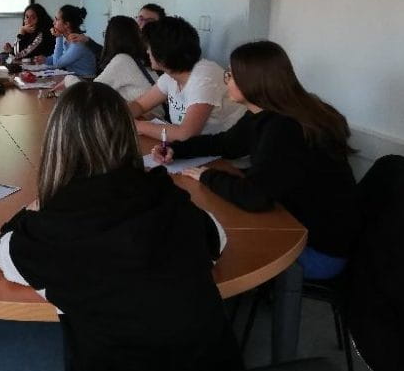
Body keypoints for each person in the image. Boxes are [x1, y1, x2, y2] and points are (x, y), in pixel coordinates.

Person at [0, 82, 242, 371]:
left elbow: (5, 252)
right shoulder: (169, 199)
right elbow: (217, 238)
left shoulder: (49, 231)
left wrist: (34, 208)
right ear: (128, 137)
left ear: (56, 145)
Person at [151, 41, 362, 280]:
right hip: (296, 222)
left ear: (252, 82)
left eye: (230, 75)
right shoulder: (267, 112)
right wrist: (175, 149)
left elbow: (254, 196)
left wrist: (207, 176)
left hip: (320, 251)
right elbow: (225, 144)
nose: (226, 81)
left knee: (217, 246)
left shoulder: (284, 128)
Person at [128, 16, 244, 141]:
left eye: (149, 47)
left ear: (163, 52)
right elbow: (140, 105)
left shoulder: (204, 77)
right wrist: (119, 116)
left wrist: (137, 126)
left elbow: (186, 135)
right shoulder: (170, 76)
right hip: (199, 148)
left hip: (231, 150)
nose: (147, 52)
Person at [62, 15, 154, 102]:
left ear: (111, 38)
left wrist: (68, 79)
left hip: (146, 113)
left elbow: (89, 93)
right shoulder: (139, 58)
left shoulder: (123, 60)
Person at [69, 2, 166, 59]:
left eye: (149, 21)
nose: (143, 24)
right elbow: (109, 55)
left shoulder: (161, 48)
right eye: (140, 19)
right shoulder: (131, 39)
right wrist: (87, 40)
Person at [33, 5, 97, 76]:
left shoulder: (78, 44)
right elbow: (60, 58)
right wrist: (45, 60)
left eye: (57, 19)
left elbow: (57, 64)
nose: (53, 23)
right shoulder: (69, 40)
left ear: (66, 24)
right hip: (74, 78)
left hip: (85, 81)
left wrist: (58, 37)